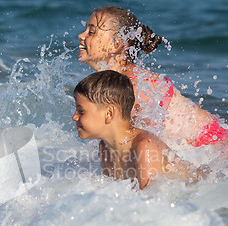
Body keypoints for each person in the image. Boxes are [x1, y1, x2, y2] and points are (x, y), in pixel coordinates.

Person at [77, 6, 228, 148]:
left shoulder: (136, 85)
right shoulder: (117, 81)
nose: (81, 35)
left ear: (117, 44)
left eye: (91, 32)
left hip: (217, 148)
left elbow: (144, 144)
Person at [72, 70, 204, 189]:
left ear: (109, 113)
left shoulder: (144, 146)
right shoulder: (105, 147)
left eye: (81, 111)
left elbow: (153, 204)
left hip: (202, 187)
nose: (74, 117)